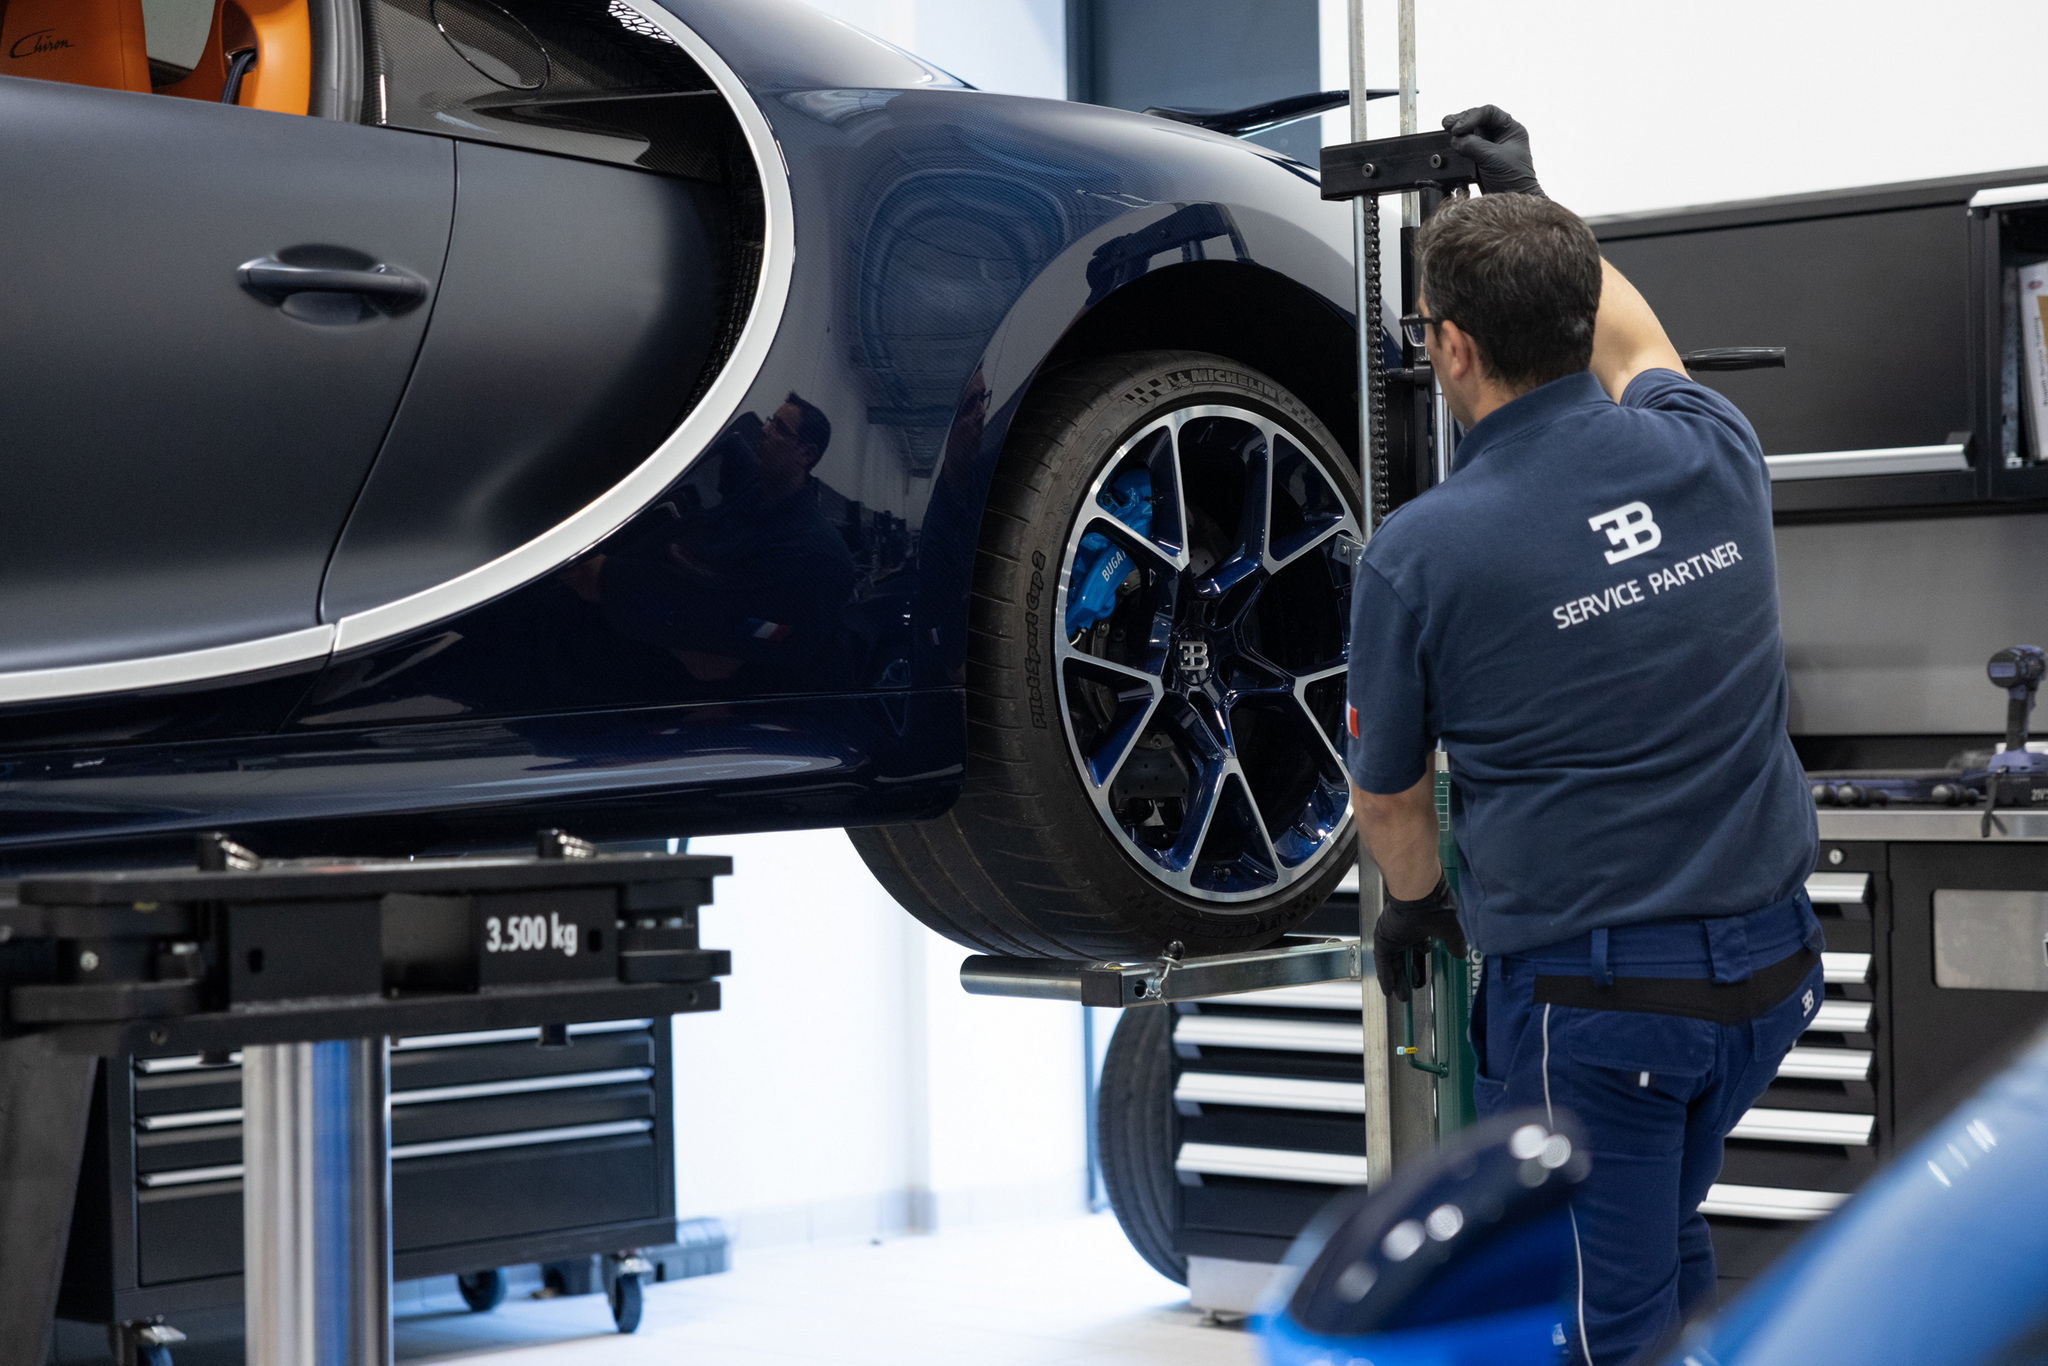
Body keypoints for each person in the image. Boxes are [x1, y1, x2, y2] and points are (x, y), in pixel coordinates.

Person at [1344, 108, 1824, 1366]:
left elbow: (1388, 802)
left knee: (1585, 1326)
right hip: (1770, 978)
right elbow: (1639, 340)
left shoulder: (1418, 555)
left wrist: (1418, 903)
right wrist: (1540, 204)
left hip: (1605, 1016)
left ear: (1448, 346)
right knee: (1656, 1245)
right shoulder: (1712, 446)